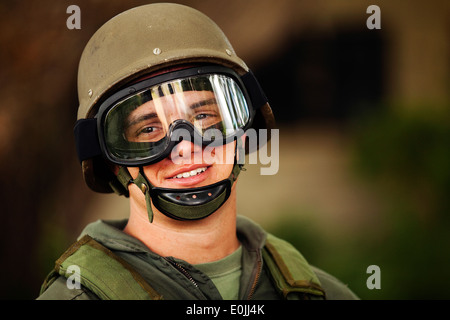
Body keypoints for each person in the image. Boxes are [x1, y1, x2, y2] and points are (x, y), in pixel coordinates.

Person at [37, 3, 358, 300]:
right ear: (109, 162)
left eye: (203, 117)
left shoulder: (322, 294)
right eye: (148, 130)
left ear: (243, 129)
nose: (186, 147)